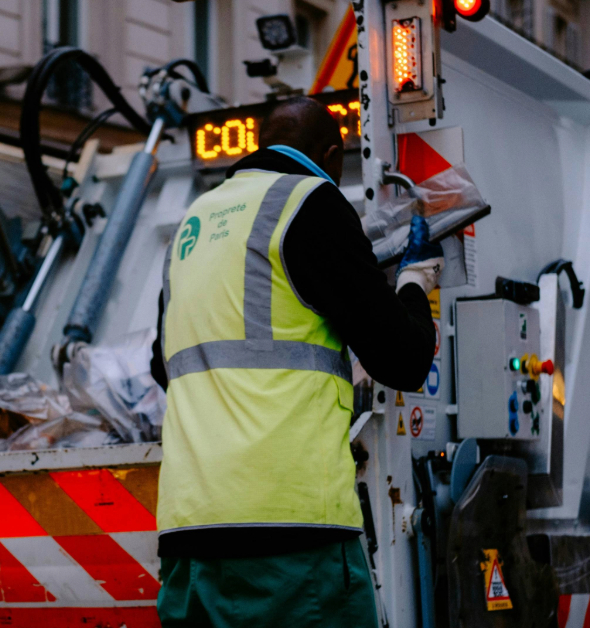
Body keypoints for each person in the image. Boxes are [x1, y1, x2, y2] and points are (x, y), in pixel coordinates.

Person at [149, 96, 442, 627]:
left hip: (189, 535)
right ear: (333, 157)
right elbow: (403, 360)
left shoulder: (192, 225)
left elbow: (162, 365)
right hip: (291, 536)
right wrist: (415, 283)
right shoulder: (313, 202)